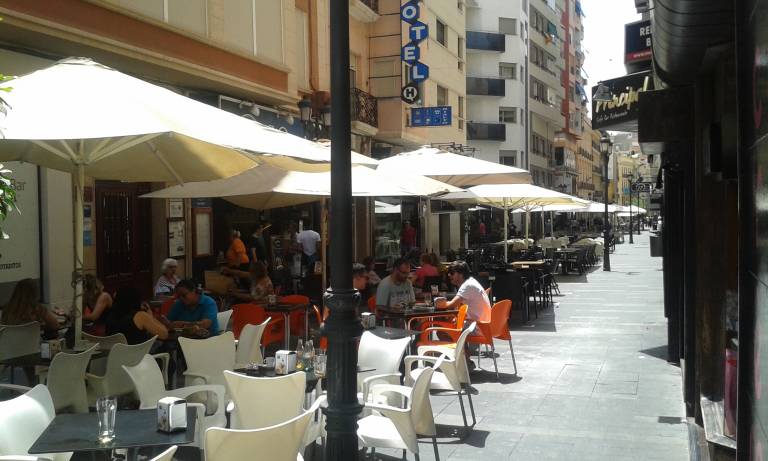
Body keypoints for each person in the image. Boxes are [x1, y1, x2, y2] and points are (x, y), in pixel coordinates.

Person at [437, 260, 491, 328]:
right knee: (447, 324)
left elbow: (451, 305)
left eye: (452, 273)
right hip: (482, 326)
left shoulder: (467, 286)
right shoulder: (471, 282)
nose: (449, 275)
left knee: (440, 330)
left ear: (461, 274)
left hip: (476, 327)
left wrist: (437, 303)